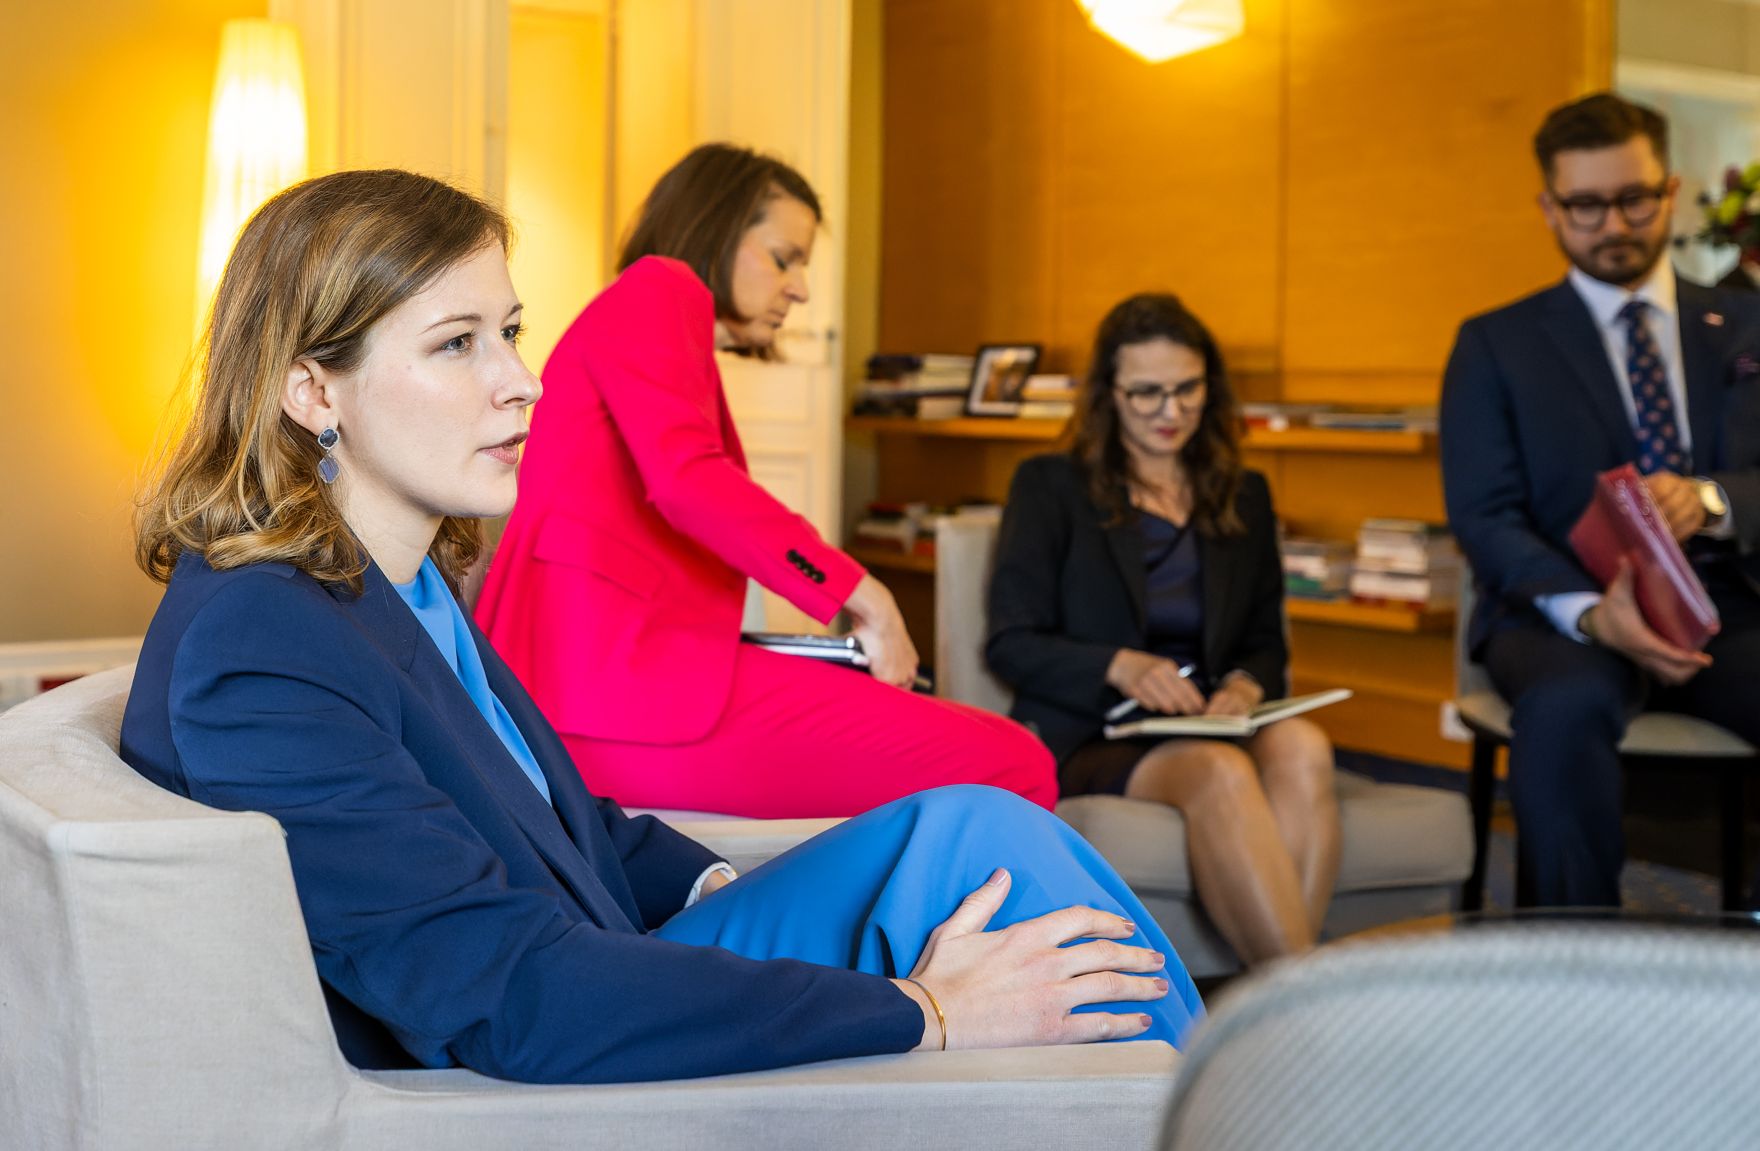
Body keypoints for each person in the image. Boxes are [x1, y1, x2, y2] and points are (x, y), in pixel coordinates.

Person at [119, 168, 1201, 1085]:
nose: (522, 383)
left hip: (612, 945)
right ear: (314, 389)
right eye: (457, 345)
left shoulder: (402, 588)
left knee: (968, 825)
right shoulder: (264, 640)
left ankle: (1224, 1096)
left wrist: (708, 880)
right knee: (988, 844)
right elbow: (504, 995)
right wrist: (925, 1009)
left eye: (509, 333)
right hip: (558, 1042)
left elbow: (563, 818)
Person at [474, 143, 1056, 818]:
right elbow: (689, 480)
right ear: (718, 228)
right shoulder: (659, 288)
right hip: (612, 700)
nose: (802, 288)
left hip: (614, 688)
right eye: (785, 257)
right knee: (1014, 762)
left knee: (1004, 752)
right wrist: (865, 594)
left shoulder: (649, 314)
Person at [1441, 92, 1760, 908]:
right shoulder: (1495, 344)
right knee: (1565, 710)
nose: (1613, 223)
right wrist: (1590, 611)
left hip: (1727, 605)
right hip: (1562, 617)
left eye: (1634, 198)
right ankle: (1576, 973)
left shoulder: (1748, 324)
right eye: (1586, 205)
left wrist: (1715, 499)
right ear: (1549, 207)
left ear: (1672, 190)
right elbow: (1484, 515)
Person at [986, 293, 1340, 965]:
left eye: (1186, 389)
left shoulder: (1245, 493)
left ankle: (1280, 996)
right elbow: (1012, 640)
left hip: (1210, 714)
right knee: (1219, 769)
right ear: (1109, 394)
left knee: (1303, 744)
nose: (1170, 412)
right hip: (1098, 726)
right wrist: (1119, 664)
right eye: (1146, 393)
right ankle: (1302, 999)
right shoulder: (1050, 486)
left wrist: (1244, 682)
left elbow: (1266, 639)